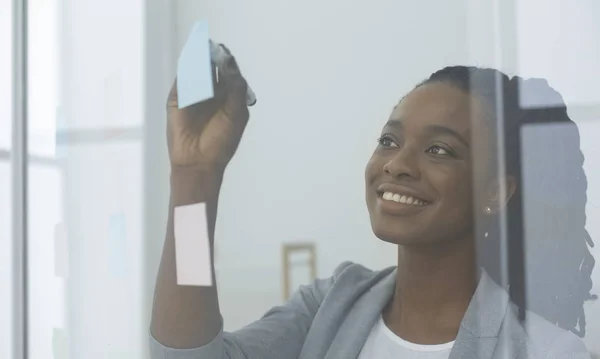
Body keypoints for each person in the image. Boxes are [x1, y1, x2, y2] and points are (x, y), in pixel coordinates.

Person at [149, 48, 595, 358]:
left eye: (439, 149)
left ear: (496, 192)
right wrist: (195, 178)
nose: (398, 164)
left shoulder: (547, 352)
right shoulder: (329, 308)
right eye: (389, 140)